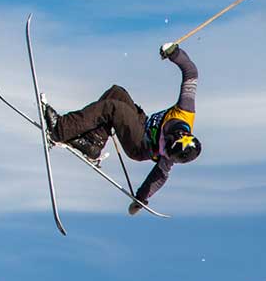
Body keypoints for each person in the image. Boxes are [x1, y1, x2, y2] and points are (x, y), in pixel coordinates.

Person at [43, 43, 200, 214]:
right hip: (143, 124)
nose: (166, 153)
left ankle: (60, 129)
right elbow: (191, 73)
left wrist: (140, 199)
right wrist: (174, 53)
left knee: (114, 108)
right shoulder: (185, 110)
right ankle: (93, 142)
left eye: (168, 153)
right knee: (116, 93)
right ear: (178, 133)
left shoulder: (169, 158)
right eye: (167, 146)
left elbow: (158, 178)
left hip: (140, 146)